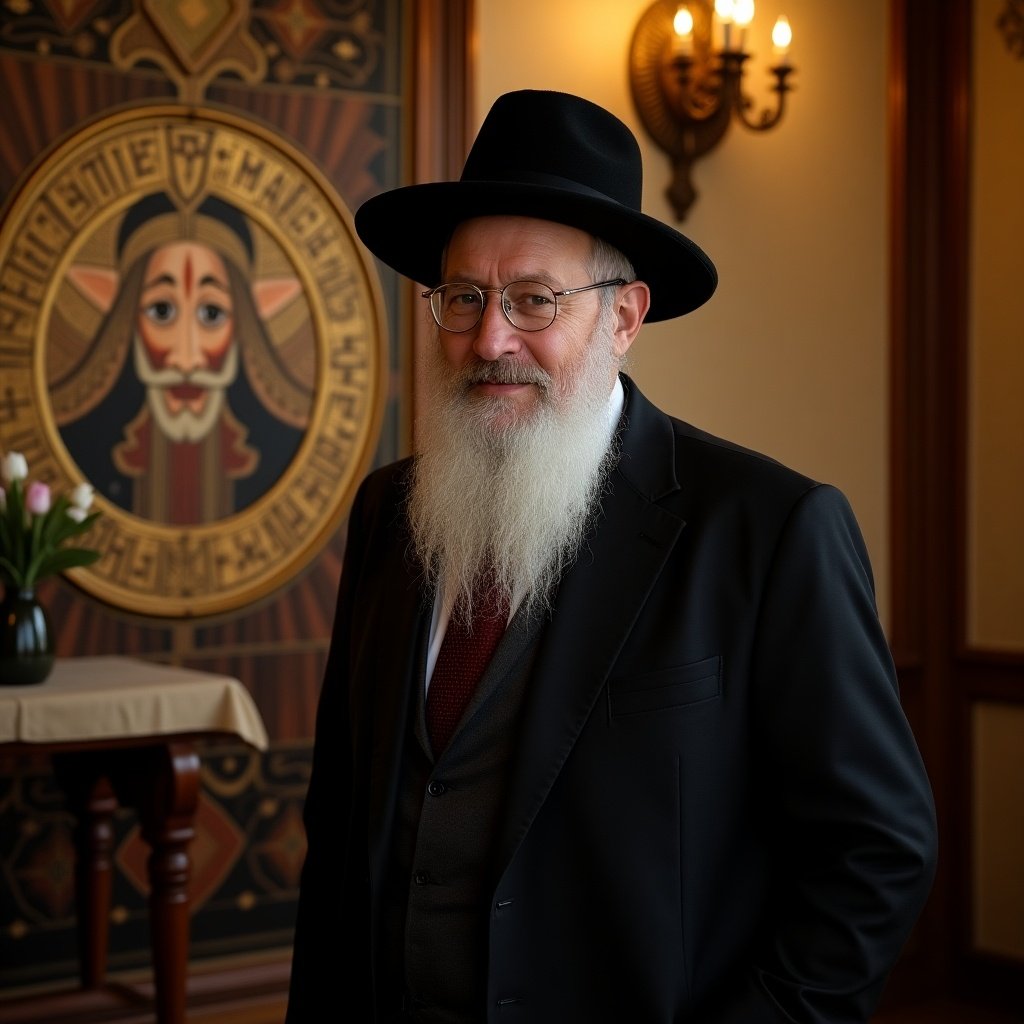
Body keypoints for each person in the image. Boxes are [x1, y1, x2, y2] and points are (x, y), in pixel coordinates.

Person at [287, 90, 937, 1024]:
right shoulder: (389, 512)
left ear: (624, 317)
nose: (490, 338)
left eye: (534, 299)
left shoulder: (767, 529)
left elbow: (879, 849)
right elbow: (343, 827)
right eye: (463, 297)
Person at [54, 192, 310, 524]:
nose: (186, 359)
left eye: (212, 313)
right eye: (162, 311)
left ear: (247, 320)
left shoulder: (289, 450)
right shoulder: (79, 446)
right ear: (123, 318)